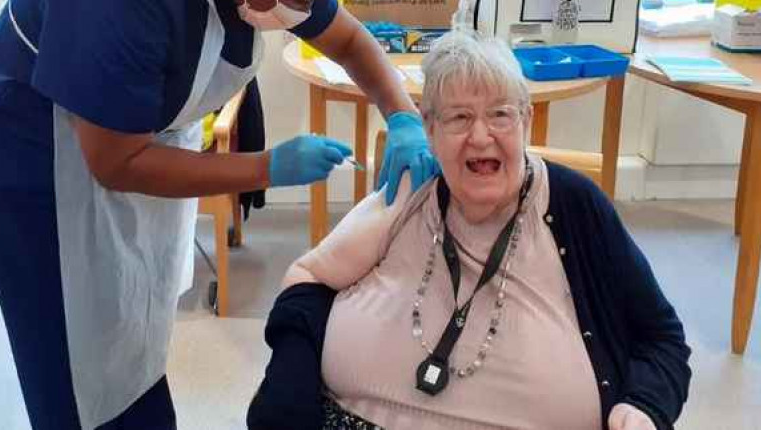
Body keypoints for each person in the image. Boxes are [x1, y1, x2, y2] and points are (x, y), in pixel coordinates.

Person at [0, 0, 438, 430]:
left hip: (132, 136)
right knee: (69, 341)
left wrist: (403, 117)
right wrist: (265, 168)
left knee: (132, 318)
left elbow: (349, 40)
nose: (309, 12)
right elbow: (116, 163)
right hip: (33, 145)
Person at [248, 31, 691, 430]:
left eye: (500, 115)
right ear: (429, 129)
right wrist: (292, 380)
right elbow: (308, 279)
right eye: (459, 118)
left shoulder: (574, 206)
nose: (481, 137)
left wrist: (645, 405)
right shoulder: (411, 190)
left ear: (526, 122)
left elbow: (661, 338)